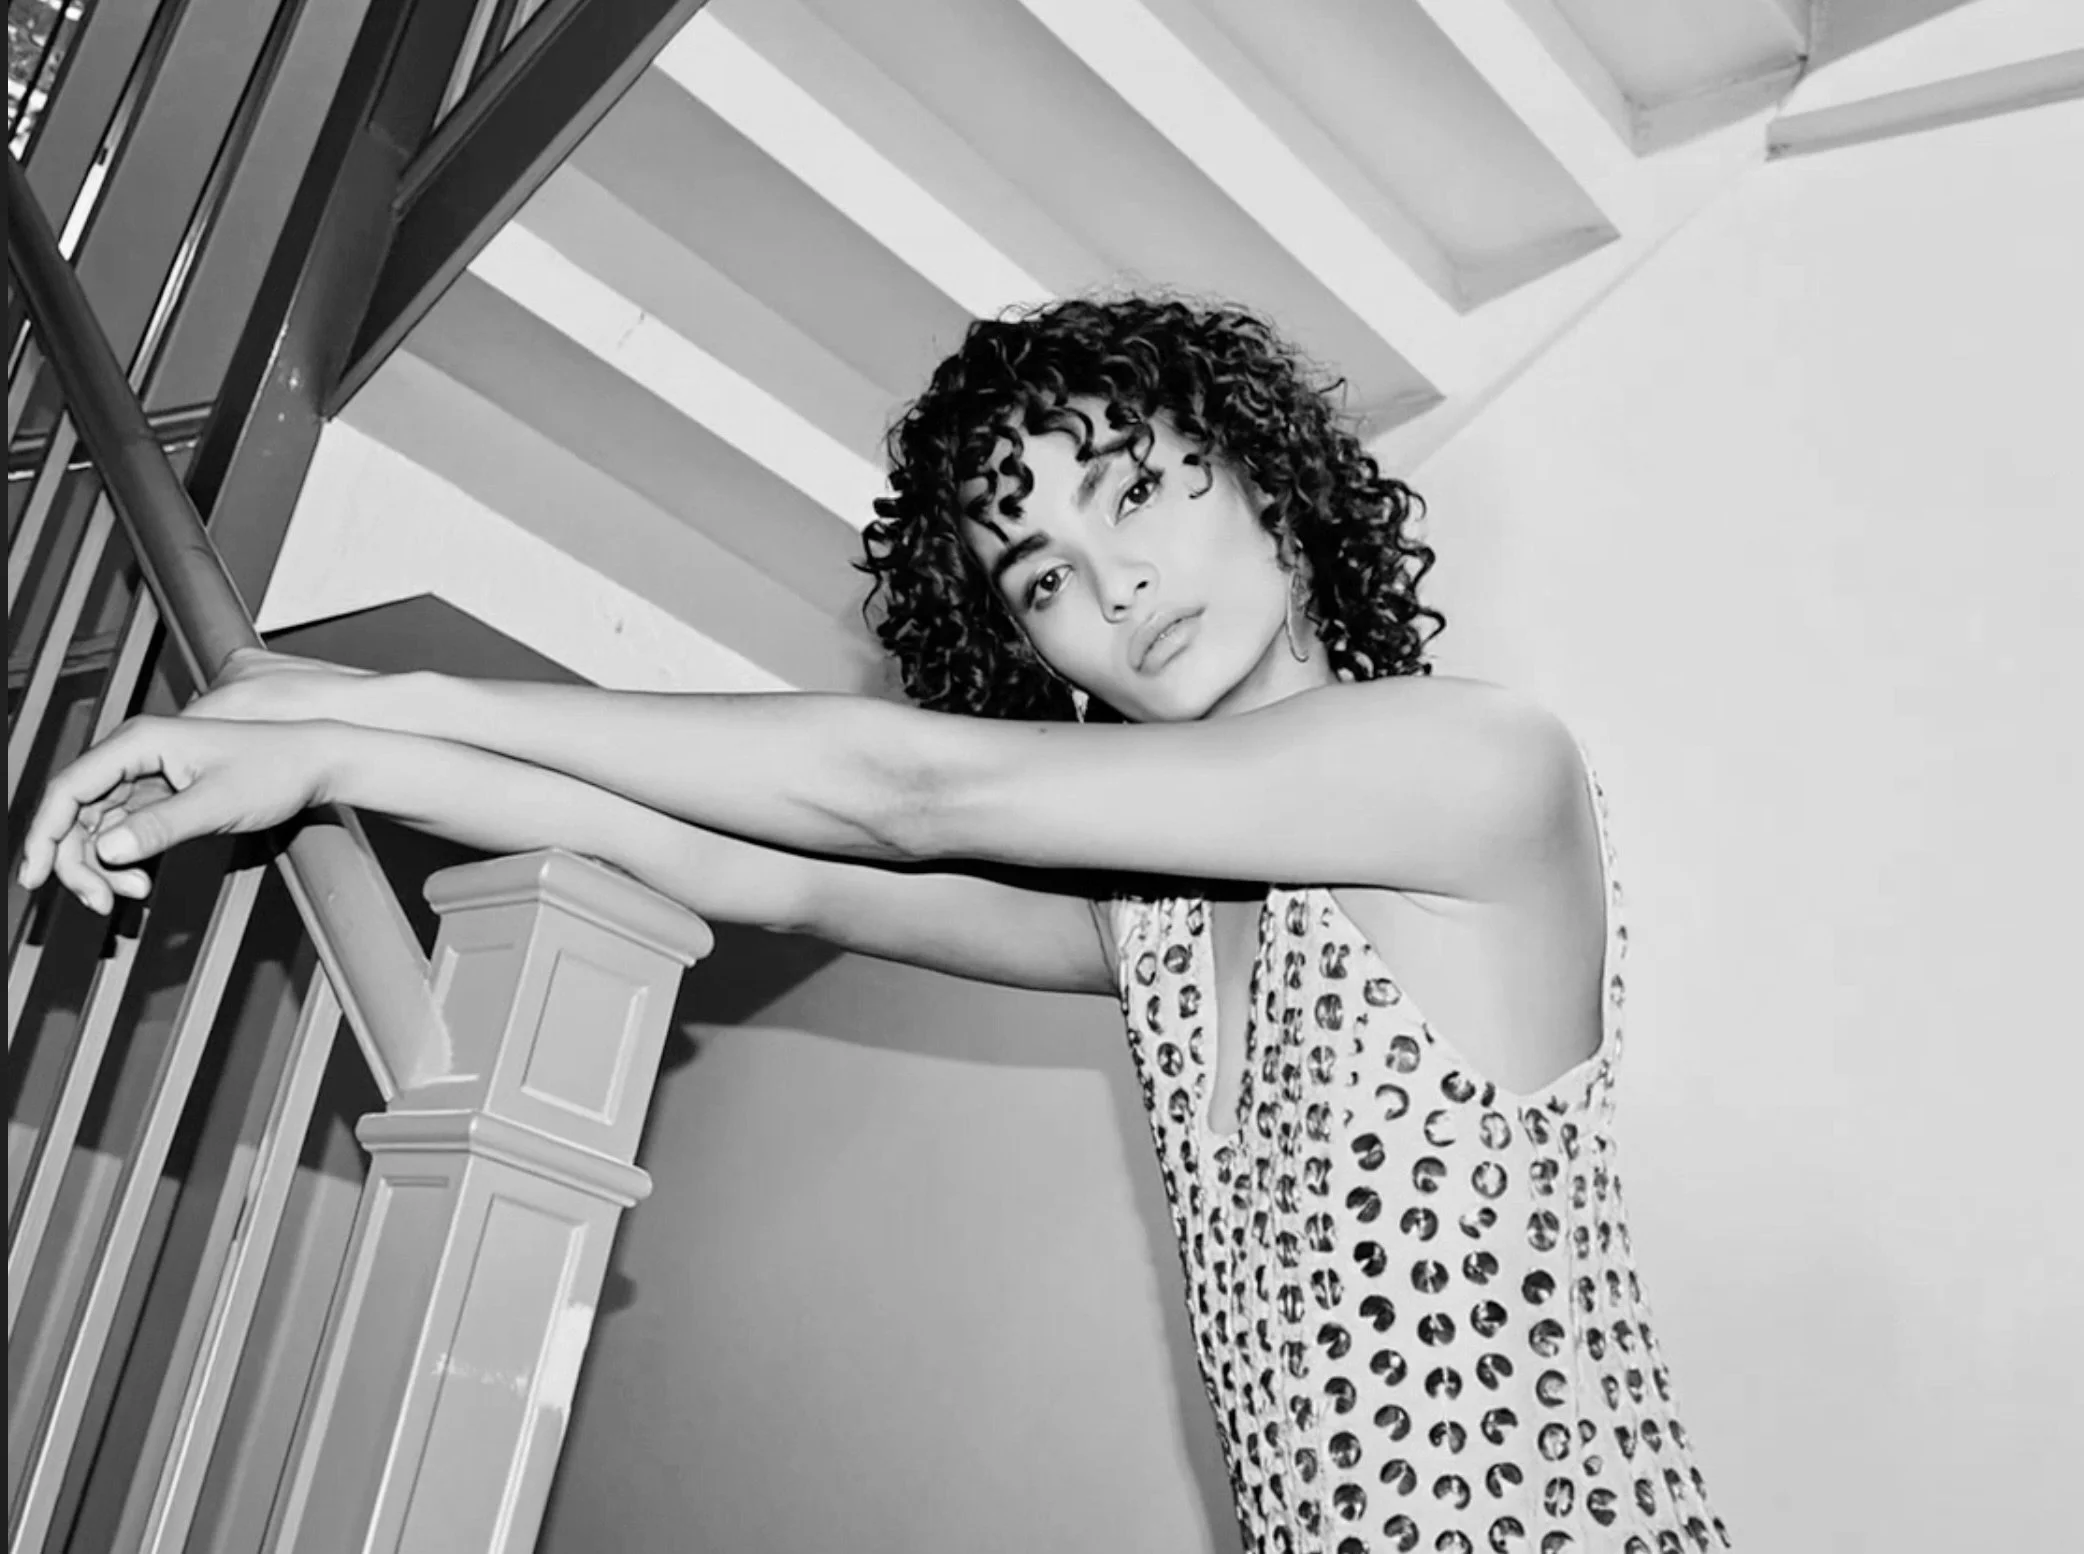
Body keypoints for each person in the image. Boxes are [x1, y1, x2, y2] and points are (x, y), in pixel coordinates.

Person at [20, 295, 1729, 1553]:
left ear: (1265, 478)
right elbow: (776, 871)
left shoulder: (1474, 765)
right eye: (1040, 575)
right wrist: (329, 757)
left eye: (1133, 491)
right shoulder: (1153, 929)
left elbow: (901, 796)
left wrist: (353, 691)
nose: (1110, 585)